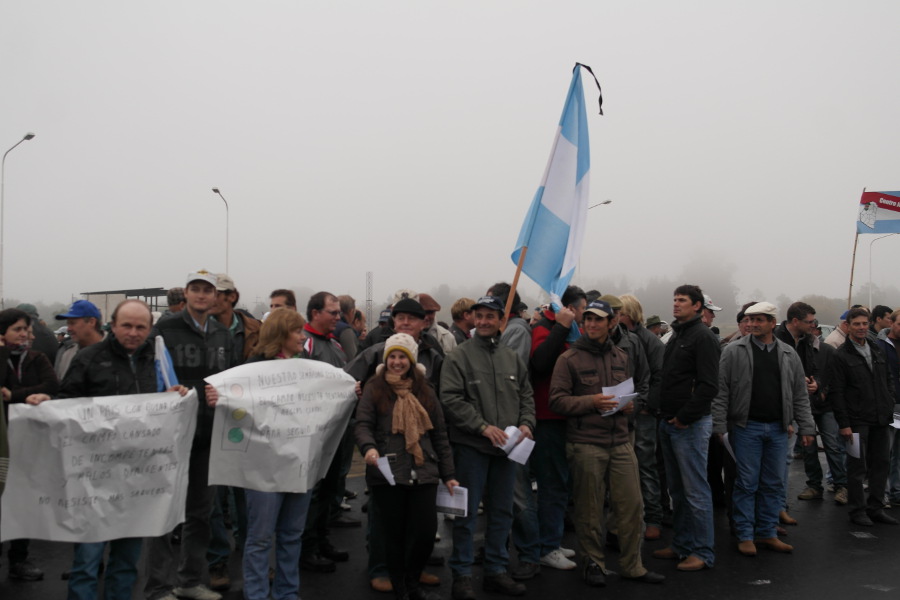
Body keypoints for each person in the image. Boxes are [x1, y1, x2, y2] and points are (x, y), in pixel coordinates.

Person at [28, 299, 190, 600]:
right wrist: (45, 402)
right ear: (112, 325)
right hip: (93, 479)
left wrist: (169, 397)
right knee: (87, 562)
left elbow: (152, 405)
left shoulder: (152, 359)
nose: (133, 332)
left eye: (140, 327)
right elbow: (67, 404)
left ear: (149, 329)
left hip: (135, 479)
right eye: (126, 325)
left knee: (127, 563)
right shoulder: (88, 358)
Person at [549, 299, 665, 587]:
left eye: (598, 319)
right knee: (589, 510)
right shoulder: (569, 359)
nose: (591, 324)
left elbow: (633, 391)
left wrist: (631, 408)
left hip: (621, 440)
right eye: (587, 319)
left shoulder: (621, 356)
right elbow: (557, 400)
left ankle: (632, 565)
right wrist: (592, 401)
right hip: (586, 442)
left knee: (631, 507)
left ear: (611, 323)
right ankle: (594, 565)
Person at [209, 308, 313, 600]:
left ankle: (287, 593)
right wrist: (217, 397)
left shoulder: (305, 368)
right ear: (281, 334)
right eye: (297, 332)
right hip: (262, 467)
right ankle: (256, 594)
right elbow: (233, 400)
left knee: (292, 535)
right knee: (260, 537)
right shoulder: (252, 368)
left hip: (297, 463)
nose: (302, 337)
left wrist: (347, 391)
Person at [144, 270, 236, 600]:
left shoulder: (222, 335)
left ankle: (189, 581)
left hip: (208, 434)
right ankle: (158, 588)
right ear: (186, 293)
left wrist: (224, 394)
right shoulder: (165, 329)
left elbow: (231, 380)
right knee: (166, 514)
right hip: (172, 435)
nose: (200, 295)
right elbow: (150, 372)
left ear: (216, 296)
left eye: (207, 290)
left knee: (200, 514)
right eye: (195, 289)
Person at [440, 295, 535, 599]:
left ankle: (496, 569)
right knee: (466, 514)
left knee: (502, 513)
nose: (483, 321)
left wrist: (526, 424)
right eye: (478, 316)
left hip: (507, 451)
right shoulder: (459, 356)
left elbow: (526, 396)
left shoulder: (512, 357)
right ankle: (462, 575)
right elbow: (451, 399)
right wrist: (482, 427)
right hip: (471, 448)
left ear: (500, 321)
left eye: (489, 316)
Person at [355, 333, 458, 600]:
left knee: (424, 534)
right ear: (385, 359)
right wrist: (369, 448)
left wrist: (448, 475)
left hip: (423, 471)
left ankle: (412, 580)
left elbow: (440, 435)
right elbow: (363, 424)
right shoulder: (374, 388)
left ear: (411, 361)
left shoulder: (425, 391)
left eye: (403, 357)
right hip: (387, 472)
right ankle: (402, 588)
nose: (397, 362)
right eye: (392, 356)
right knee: (394, 536)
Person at [712, 302, 816, 556]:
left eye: (759, 319)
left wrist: (807, 428)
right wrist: (719, 426)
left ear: (772, 323)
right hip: (746, 427)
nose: (753, 324)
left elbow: (799, 395)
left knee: (772, 483)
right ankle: (745, 534)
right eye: (750, 319)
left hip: (779, 429)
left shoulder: (788, 354)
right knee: (746, 483)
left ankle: (767, 532)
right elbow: (721, 390)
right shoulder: (733, 351)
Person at [653, 284, 720, 572]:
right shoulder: (677, 334)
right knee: (677, 490)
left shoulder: (702, 337)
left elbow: (708, 385)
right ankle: (681, 544)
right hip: (668, 421)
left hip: (688, 424)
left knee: (695, 491)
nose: (676, 304)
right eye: (675, 299)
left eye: (682, 300)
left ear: (698, 306)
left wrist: (684, 417)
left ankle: (702, 552)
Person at [0, 307, 60, 582]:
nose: (24, 334)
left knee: (22, 501)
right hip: (2, 446)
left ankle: (19, 559)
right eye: (17, 329)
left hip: (29, 444)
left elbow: (50, 385)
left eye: (26, 329)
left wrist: (15, 395)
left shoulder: (37, 359)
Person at [529, 286, 586, 570]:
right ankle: (546, 547)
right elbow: (539, 364)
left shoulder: (575, 332)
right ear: (570, 309)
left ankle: (553, 539)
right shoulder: (545, 328)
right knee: (551, 483)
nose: (586, 318)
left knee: (562, 482)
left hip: (569, 417)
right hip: (547, 417)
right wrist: (560, 329)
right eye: (583, 311)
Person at [830, 307, 897, 527]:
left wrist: (888, 400)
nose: (861, 328)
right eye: (856, 324)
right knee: (857, 468)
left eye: (864, 324)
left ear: (869, 325)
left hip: (880, 418)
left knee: (881, 464)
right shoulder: (840, 355)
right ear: (848, 326)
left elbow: (887, 378)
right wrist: (844, 424)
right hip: (856, 421)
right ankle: (857, 511)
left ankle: (875, 508)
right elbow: (837, 392)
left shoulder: (877, 350)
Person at [53, 299, 104, 380]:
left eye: (73, 323)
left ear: (91, 322)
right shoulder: (67, 354)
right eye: (68, 324)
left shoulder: (115, 353)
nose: (69, 329)